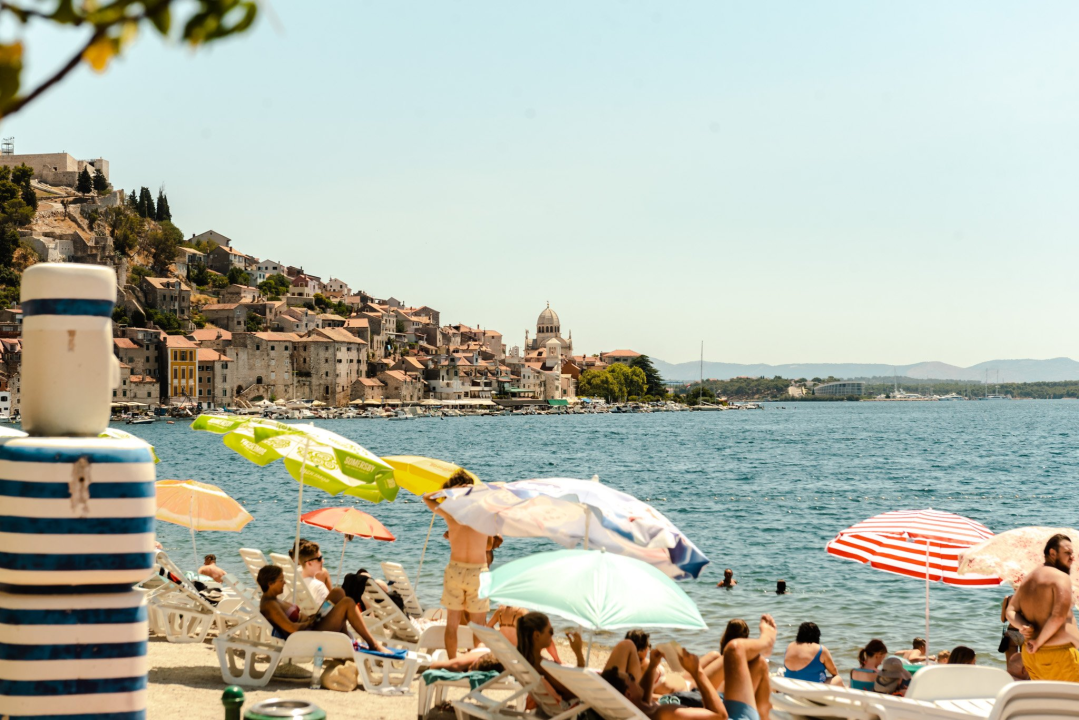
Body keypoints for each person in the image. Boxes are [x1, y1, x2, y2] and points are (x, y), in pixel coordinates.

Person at [424, 469, 493, 659]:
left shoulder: (451, 513)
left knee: (452, 624)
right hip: (478, 571)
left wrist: (448, 493)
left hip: (455, 569)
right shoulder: (484, 513)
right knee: (479, 627)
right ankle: (476, 662)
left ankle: (453, 663)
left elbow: (426, 497)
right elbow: (488, 544)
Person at [255, 565, 386, 651]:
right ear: (270, 583)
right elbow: (291, 628)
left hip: (312, 625)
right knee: (348, 602)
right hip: (308, 633)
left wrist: (314, 618)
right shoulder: (270, 605)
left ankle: (346, 637)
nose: (285, 582)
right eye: (281, 580)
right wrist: (312, 621)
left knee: (338, 592)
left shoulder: (272, 599)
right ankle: (373, 644)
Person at [1008, 533, 1079, 682]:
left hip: (1032, 656)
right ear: (1052, 553)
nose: (1072, 557)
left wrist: (1022, 626)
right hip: (1059, 655)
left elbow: (1010, 610)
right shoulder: (1060, 577)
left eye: (1072, 554)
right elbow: (1058, 616)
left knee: (1048, 701)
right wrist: (1039, 641)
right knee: (1070, 703)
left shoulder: (1029, 578)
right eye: (1067, 553)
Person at [601, 645, 729, 720]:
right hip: (703, 699)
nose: (635, 678)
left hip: (686, 695)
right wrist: (697, 672)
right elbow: (720, 716)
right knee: (728, 657)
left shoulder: (639, 707)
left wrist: (652, 666)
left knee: (716, 656)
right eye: (631, 678)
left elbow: (643, 700)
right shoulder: (664, 713)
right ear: (628, 694)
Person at [517, 611, 585, 707]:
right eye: (550, 631)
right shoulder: (543, 666)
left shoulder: (526, 660)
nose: (552, 635)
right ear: (537, 635)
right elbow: (577, 691)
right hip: (570, 710)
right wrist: (578, 653)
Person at [297, 542, 332, 607]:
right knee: (347, 601)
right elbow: (325, 612)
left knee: (337, 592)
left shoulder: (296, 580)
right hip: (318, 616)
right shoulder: (319, 586)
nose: (323, 561)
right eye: (319, 559)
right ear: (309, 563)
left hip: (303, 613)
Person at [999, 595, 1023, 663]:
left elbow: (1003, 620)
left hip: (1012, 632)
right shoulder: (1030, 598)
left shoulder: (1008, 598)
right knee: (1026, 665)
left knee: (1010, 664)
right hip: (1025, 632)